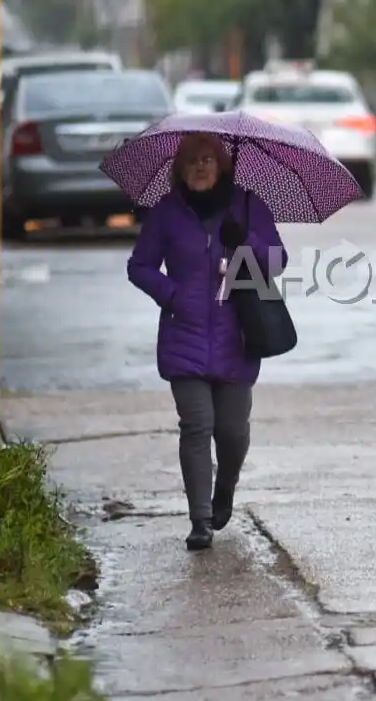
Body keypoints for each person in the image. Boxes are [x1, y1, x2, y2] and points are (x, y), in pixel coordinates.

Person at [127, 133, 288, 551]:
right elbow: (140, 266)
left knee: (232, 432)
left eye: (208, 160)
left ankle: (225, 488)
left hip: (238, 335)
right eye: (192, 161)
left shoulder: (248, 206)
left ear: (222, 166)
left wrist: (245, 241)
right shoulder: (167, 213)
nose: (200, 167)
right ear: (180, 169)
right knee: (196, 426)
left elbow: (277, 260)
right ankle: (200, 520)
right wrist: (173, 294)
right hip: (185, 335)